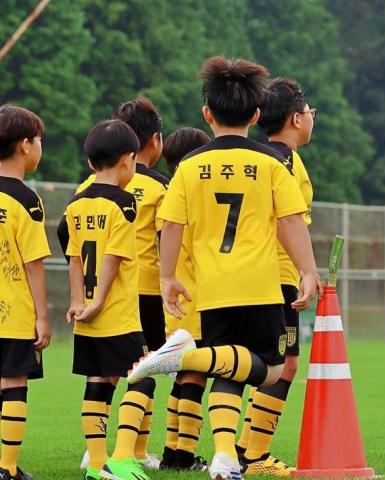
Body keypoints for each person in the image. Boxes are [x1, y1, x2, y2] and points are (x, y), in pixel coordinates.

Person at [127, 56, 323, 480]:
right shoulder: (271, 164)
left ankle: (224, 458)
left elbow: (170, 224)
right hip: (260, 284)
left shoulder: (189, 167)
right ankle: (189, 357)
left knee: (227, 370)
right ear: (256, 114)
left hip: (212, 289)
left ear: (207, 114)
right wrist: (308, 271)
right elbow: (290, 221)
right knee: (270, 368)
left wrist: (167, 278)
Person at [60, 98, 167, 470]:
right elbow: (114, 258)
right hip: (118, 312)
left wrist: (79, 301)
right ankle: (125, 458)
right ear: (129, 160)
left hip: (87, 313)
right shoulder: (124, 204)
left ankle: (96, 463)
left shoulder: (76, 205)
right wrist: (102, 299)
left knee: (97, 381)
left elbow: (74, 255)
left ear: (90, 163)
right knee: (142, 378)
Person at [236, 77, 315, 476]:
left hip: (250, 272)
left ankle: (243, 448)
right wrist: (306, 271)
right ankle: (255, 455)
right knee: (284, 365)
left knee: (267, 361)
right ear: (297, 118)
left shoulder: (256, 156)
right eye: (311, 113)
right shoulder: (285, 160)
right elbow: (289, 222)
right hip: (279, 275)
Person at [0, 105, 51, 480]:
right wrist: (43, 316)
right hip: (14, 312)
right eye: (39, 141)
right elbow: (34, 263)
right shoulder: (26, 199)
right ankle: (7, 468)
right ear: (24, 145)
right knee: (13, 383)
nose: (39, 148)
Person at [157, 127, 210, 472]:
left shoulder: (169, 196)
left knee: (183, 377)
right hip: (197, 299)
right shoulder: (193, 195)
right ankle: (185, 456)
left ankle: (171, 452)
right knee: (195, 377)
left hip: (175, 304)